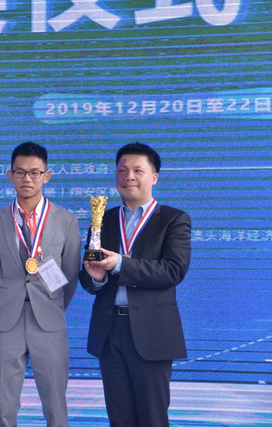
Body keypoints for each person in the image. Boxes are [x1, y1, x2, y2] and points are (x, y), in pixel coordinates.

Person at [79, 142, 191, 427]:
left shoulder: (173, 219)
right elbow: (90, 276)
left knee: (152, 417)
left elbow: (173, 270)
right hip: (109, 330)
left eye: (138, 170)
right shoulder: (102, 219)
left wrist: (119, 263)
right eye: (122, 170)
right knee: (119, 418)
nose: (129, 176)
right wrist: (96, 278)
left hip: (151, 333)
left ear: (154, 177)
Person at [0, 142, 81, 427]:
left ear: (46, 176)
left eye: (35, 172)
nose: (27, 178)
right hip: (8, 320)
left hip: (49, 320)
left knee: (55, 407)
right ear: (10, 175)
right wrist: (14, 297)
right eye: (20, 172)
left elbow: (69, 276)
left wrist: (52, 304)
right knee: (4, 408)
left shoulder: (66, 220)